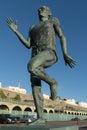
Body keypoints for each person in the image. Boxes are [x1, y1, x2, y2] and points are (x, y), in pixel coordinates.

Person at [6, 6, 75, 124]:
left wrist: (65, 53)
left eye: (43, 8)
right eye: (39, 9)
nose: (40, 10)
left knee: (31, 67)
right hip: (35, 54)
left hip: (48, 52)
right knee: (35, 87)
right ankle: (41, 118)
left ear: (49, 12)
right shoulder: (32, 27)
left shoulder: (53, 20)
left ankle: (52, 82)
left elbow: (62, 36)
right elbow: (28, 44)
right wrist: (16, 31)